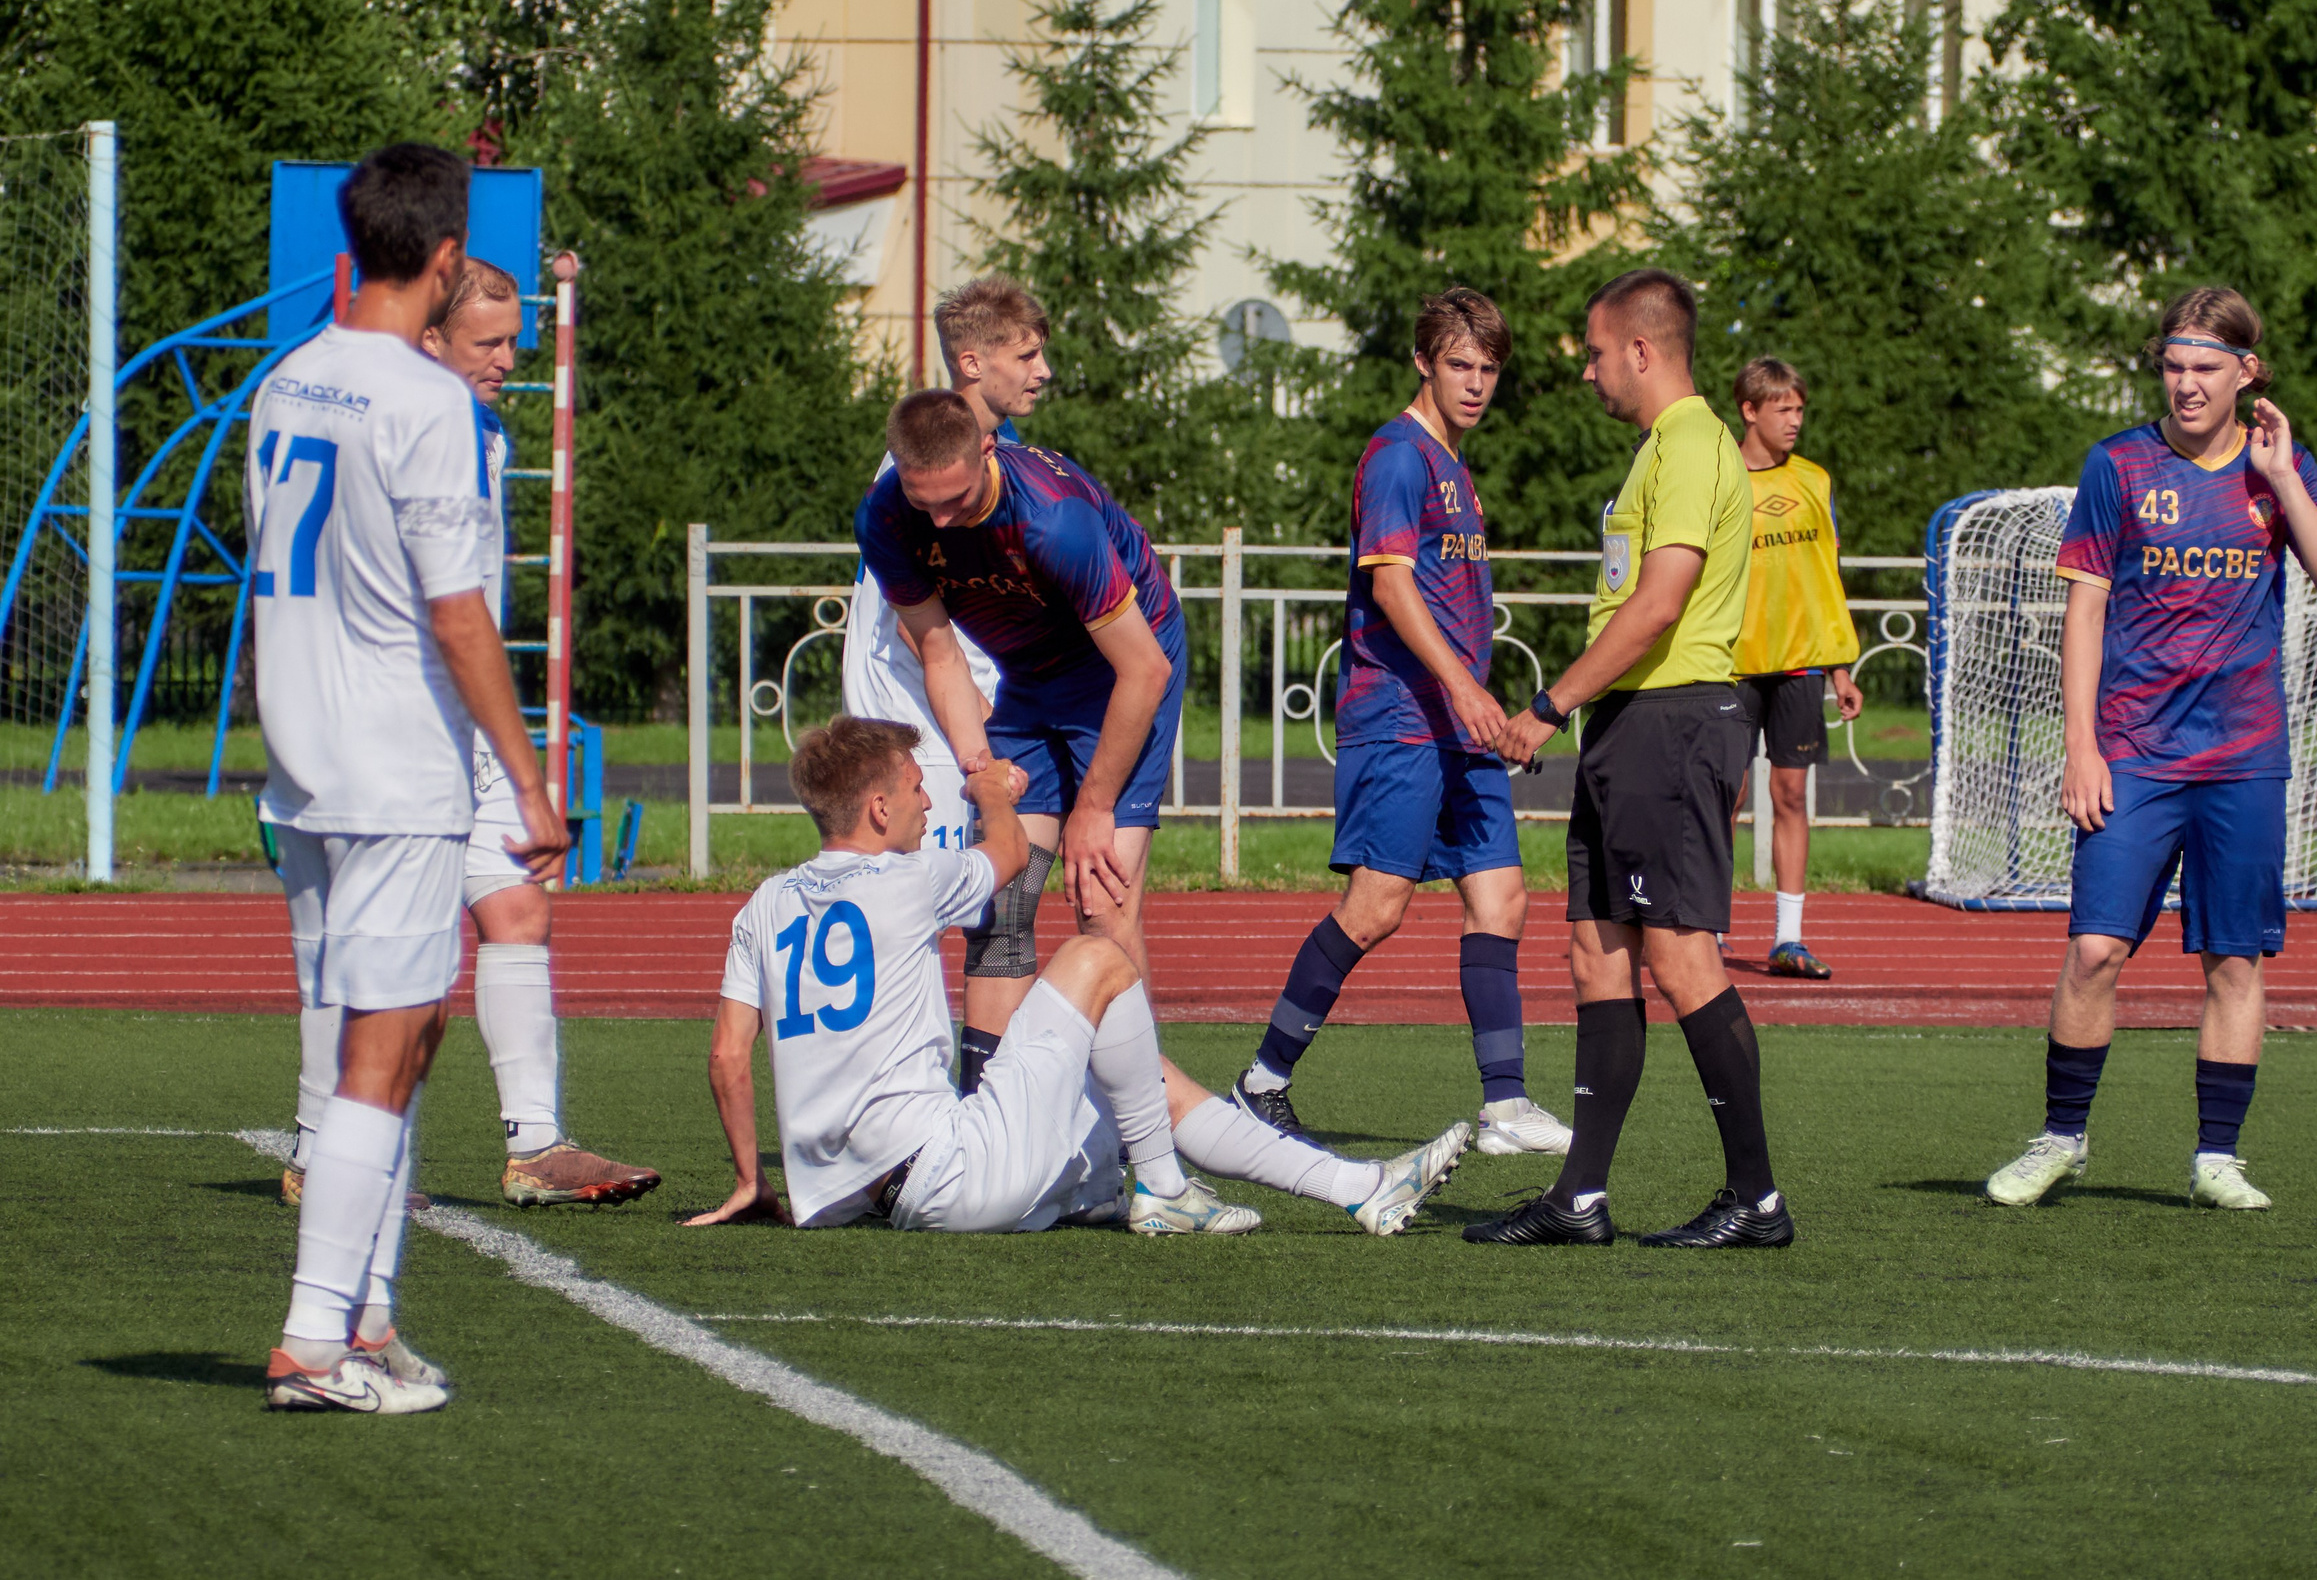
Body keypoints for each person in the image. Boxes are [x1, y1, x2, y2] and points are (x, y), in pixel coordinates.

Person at [686, 715, 1471, 1236]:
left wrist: (754, 1182)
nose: (928, 797)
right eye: (914, 784)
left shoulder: (764, 901)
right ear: (879, 809)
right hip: (952, 1168)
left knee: (1144, 1090)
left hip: (873, 1195)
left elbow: (728, 1056)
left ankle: (1361, 1186)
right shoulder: (906, 879)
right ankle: (1162, 1190)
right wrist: (995, 789)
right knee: (1098, 959)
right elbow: (1008, 857)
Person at [257, 144, 570, 1413]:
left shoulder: (291, 379)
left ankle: (367, 1318)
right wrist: (531, 778)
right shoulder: (429, 405)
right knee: (380, 1064)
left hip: (304, 770)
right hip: (394, 770)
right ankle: (314, 1344)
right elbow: (457, 617)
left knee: (383, 1046)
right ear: (445, 260)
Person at [278, 261, 659, 1214]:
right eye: (487, 343)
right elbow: (435, 605)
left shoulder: (464, 426)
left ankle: (536, 1143)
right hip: (385, 717)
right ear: (431, 339)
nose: (507, 360)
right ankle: (318, 1147)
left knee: (517, 910)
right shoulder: (403, 419)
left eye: (515, 342)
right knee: (357, 948)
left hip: (455, 715)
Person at [1984, 288, 2317, 1213]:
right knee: (2095, 952)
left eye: (2206, 368)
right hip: (2135, 753)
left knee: (2235, 960)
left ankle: (2217, 1158)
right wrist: (2082, 746)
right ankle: (2061, 1138)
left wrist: (2282, 481)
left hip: (2244, 757)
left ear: (2247, 372)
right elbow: (2085, 609)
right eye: (2173, 366)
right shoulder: (2117, 462)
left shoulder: (2282, 467)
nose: (2186, 385)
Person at [1473, 268, 1791, 1250]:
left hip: (1672, 719)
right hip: (1628, 723)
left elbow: (1658, 603)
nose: (1586, 370)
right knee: (1593, 948)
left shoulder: (1693, 443)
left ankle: (1756, 1199)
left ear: (1642, 351)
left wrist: (1545, 706)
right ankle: (1579, 1198)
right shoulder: (1659, 451)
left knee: (1680, 955)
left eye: (1595, 351)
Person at [1230, 289, 1569, 1156]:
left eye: (1490, 368)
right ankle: (1260, 1081)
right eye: (1460, 364)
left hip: (1460, 726)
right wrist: (1461, 686)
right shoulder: (1397, 456)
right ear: (1423, 362)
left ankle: (1504, 1103)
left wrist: (1468, 697)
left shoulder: (1456, 469)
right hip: (1402, 719)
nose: (1477, 383)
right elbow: (1390, 585)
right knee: (1377, 908)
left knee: (1502, 897)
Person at [854, 389, 1185, 1080]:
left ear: (986, 447)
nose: (941, 521)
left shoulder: (1052, 521)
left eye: (955, 500)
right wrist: (981, 765)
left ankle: (1143, 1140)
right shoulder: (887, 516)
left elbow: (1144, 669)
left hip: (1121, 669)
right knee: (1000, 900)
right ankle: (984, 1116)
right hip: (1031, 673)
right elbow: (940, 653)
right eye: (926, 504)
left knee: (1101, 899)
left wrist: (1091, 809)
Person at [840, 277, 1047, 879]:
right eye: (1027, 356)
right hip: (918, 729)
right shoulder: (931, 464)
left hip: (947, 722)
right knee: (914, 918)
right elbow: (914, 626)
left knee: (985, 910)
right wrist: (988, 723)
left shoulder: (996, 447)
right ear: (973, 363)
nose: (1043, 371)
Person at [1726, 357, 1864, 980]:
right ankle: (1711, 931)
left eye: (1800, 409)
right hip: (1730, 662)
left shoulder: (1815, 480)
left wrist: (1841, 667)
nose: (1795, 420)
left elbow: (1824, 579)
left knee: (1789, 794)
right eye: (1783, 408)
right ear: (1750, 410)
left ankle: (1788, 937)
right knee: (1722, 798)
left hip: (1803, 664)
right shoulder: (1718, 478)